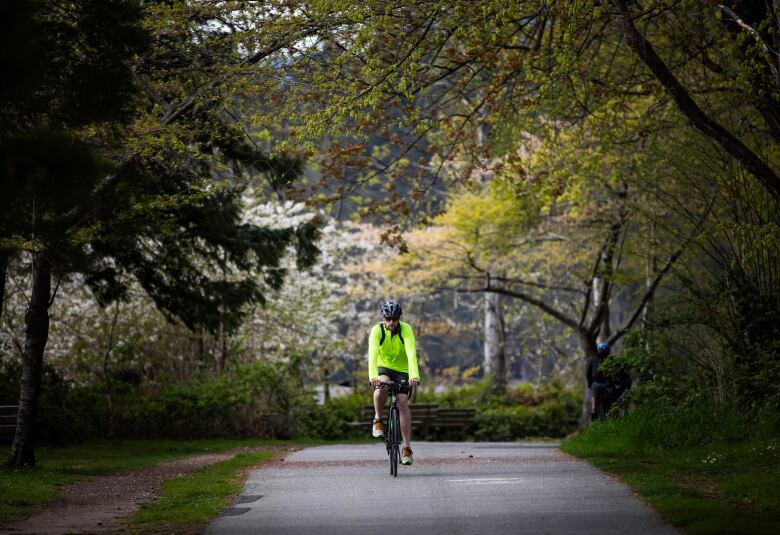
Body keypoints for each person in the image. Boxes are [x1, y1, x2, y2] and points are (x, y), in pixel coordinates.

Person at [368, 299, 420, 465]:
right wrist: (373, 377)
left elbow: (411, 353)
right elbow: (372, 355)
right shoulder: (377, 331)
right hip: (383, 367)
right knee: (380, 387)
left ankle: (406, 447)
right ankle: (377, 419)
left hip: (403, 370)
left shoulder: (406, 330)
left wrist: (414, 375)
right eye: (388, 319)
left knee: (403, 402)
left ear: (399, 318)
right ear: (383, 318)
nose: (391, 322)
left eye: (395, 319)